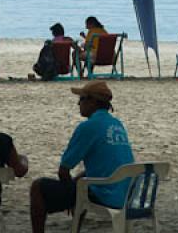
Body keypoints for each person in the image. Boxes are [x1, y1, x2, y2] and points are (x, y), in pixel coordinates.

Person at [30, 81, 134, 233]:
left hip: (107, 195)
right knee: (80, 181)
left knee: (38, 188)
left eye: (82, 99)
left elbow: (63, 170)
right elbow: (110, 166)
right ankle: (75, 227)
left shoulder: (88, 126)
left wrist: (70, 198)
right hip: (126, 193)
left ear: (92, 102)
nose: (78, 103)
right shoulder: (117, 124)